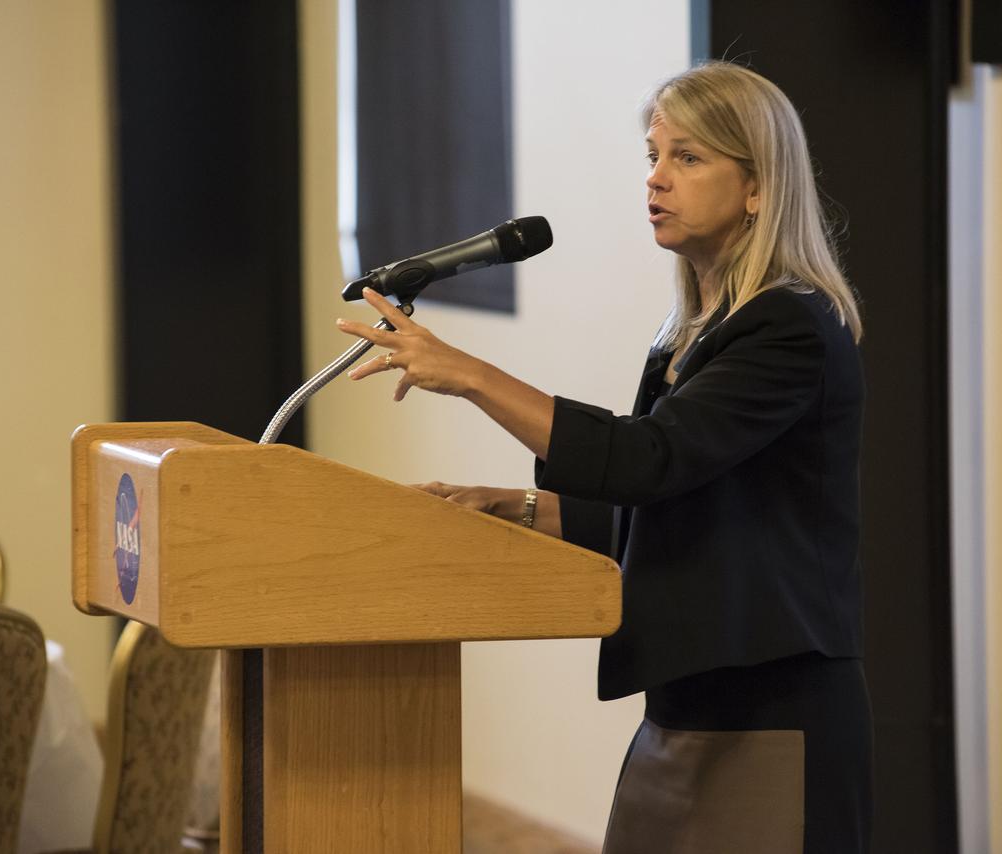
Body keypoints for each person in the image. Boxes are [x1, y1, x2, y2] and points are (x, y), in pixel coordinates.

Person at [337, 60, 871, 853]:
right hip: (686, 706)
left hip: (769, 712)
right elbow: (667, 499)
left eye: (687, 158)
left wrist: (472, 375)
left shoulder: (787, 328)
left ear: (759, 186)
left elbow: (646, 461)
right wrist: (509, 507)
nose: (656, 179)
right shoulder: (692, 333)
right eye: (652, 157)